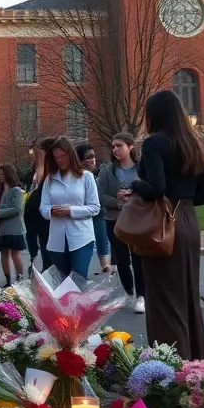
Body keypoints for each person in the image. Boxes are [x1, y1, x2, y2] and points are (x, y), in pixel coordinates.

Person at [130, 90, 204, 360]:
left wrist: (134, 184)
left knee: (165, 300)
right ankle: (196, 359)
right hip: (188, 221)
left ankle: (172, 365)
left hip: (163, 225)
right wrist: (184, 199)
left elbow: (157, 187)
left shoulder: (155, 143)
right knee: (188, 296)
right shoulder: (193, 143)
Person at [39, 137, 100, 279]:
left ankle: (80, 301)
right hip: (57, 239)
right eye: (56, 157)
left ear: (70, 154)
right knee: (62, 280)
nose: (60, 160)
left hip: (81, 237)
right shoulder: (50, 180)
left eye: (63, 156)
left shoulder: (86, 177)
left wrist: (71, 211)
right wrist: (51, 211)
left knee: (78, 277)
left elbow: (95, 207)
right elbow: (43, 208)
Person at [97, 133, 145, 313]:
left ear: (131, 147)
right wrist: (117, 201)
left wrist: (134, 195)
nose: (115, 149)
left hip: (138, 220)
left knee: (138, 258)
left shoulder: (142, 169)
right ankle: (127, 292)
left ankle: (142, 296)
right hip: (114, 220)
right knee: (122, 260)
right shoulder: (107, 171)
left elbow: (151, 190)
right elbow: (101, 196)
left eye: (119, 146)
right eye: (113, 146)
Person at [75, 143, 111, 273]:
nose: (92, 160)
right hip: (83, 212)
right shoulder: (79, 177)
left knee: (101, 235)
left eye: (93, 156)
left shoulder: (93, 175)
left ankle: (104, 263)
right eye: (88, 157)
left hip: (98, 211)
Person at [0, 164, 27, 286]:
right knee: (4, 254)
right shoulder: (4, 190)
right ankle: (8, 281)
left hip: (15, 228)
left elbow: (17, 209)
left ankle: (20, 280)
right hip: (4, 229)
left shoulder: (16, 190)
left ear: (8, 173)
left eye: (1, 173)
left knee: (14, 254)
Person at [23, 138, 54, 271]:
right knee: (46, 258)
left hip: (48, 221)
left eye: (40, 154)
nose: (36, 157)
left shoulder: (49, 172)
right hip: (38, 221)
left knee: (50, 260)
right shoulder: (36, 170)